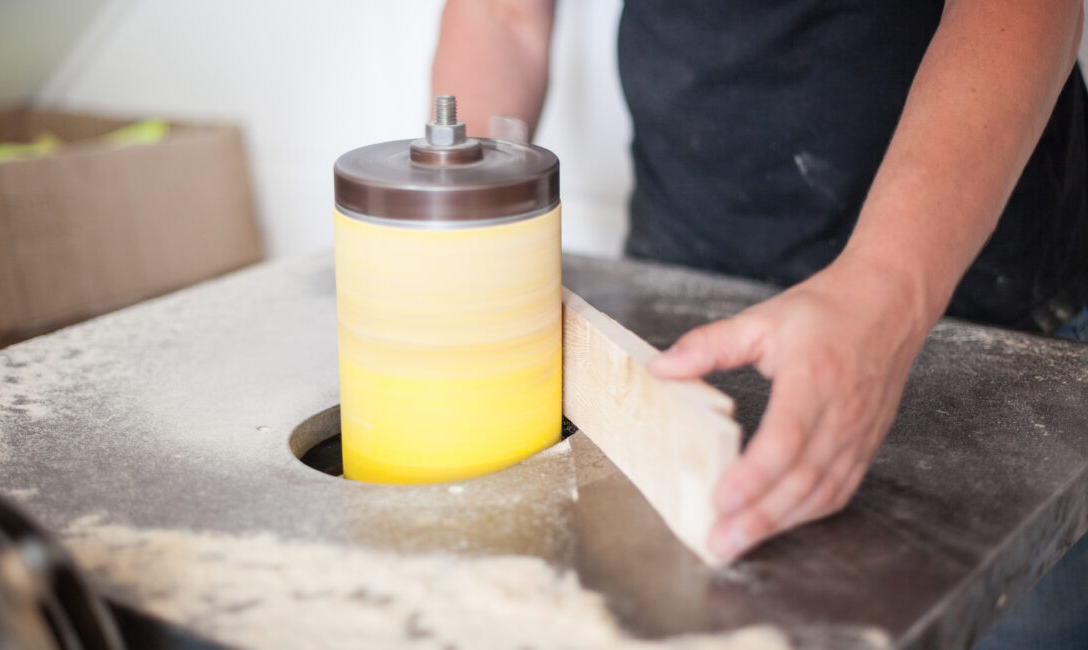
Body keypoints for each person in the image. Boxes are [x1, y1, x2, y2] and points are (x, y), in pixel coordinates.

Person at [433, 0, 1088, 647]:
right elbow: (502, 16)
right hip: (676, 302)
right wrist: (471, 245)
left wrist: (886, 293)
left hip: (983, 311)